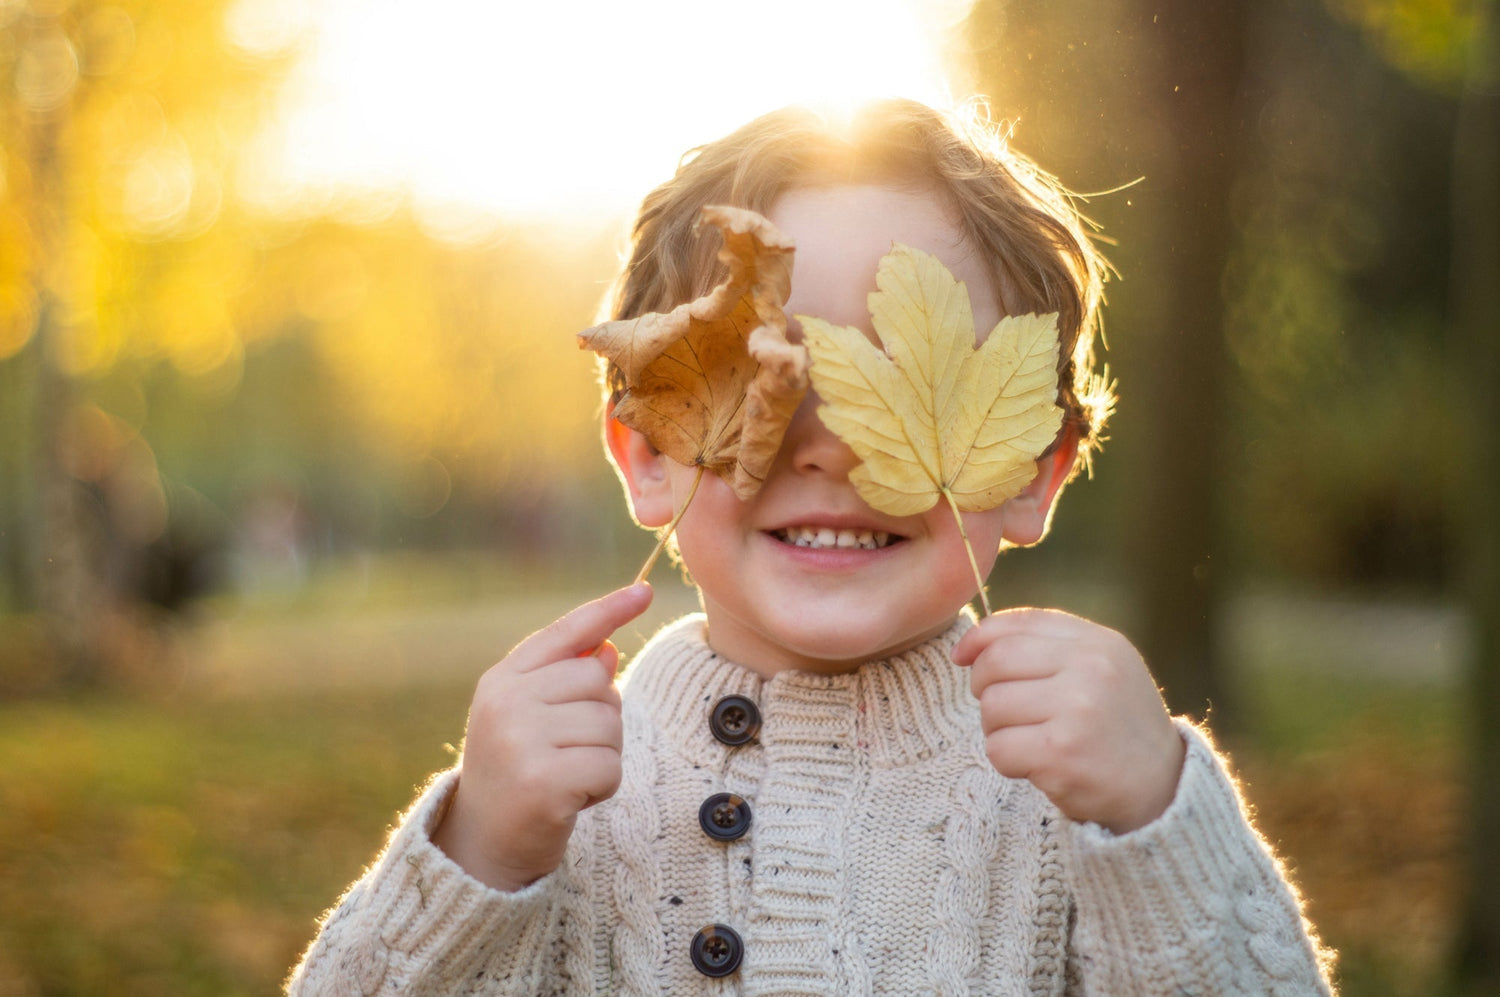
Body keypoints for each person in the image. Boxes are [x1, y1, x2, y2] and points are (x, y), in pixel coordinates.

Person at [287, 99, 1336, 994]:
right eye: (766, 383)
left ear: (1033, 468)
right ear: (649, 449)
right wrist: (479, 855)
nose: (833, 448)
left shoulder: (1076, 794)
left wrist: (1159, 820)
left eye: (909, 391)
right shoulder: (554, 792)